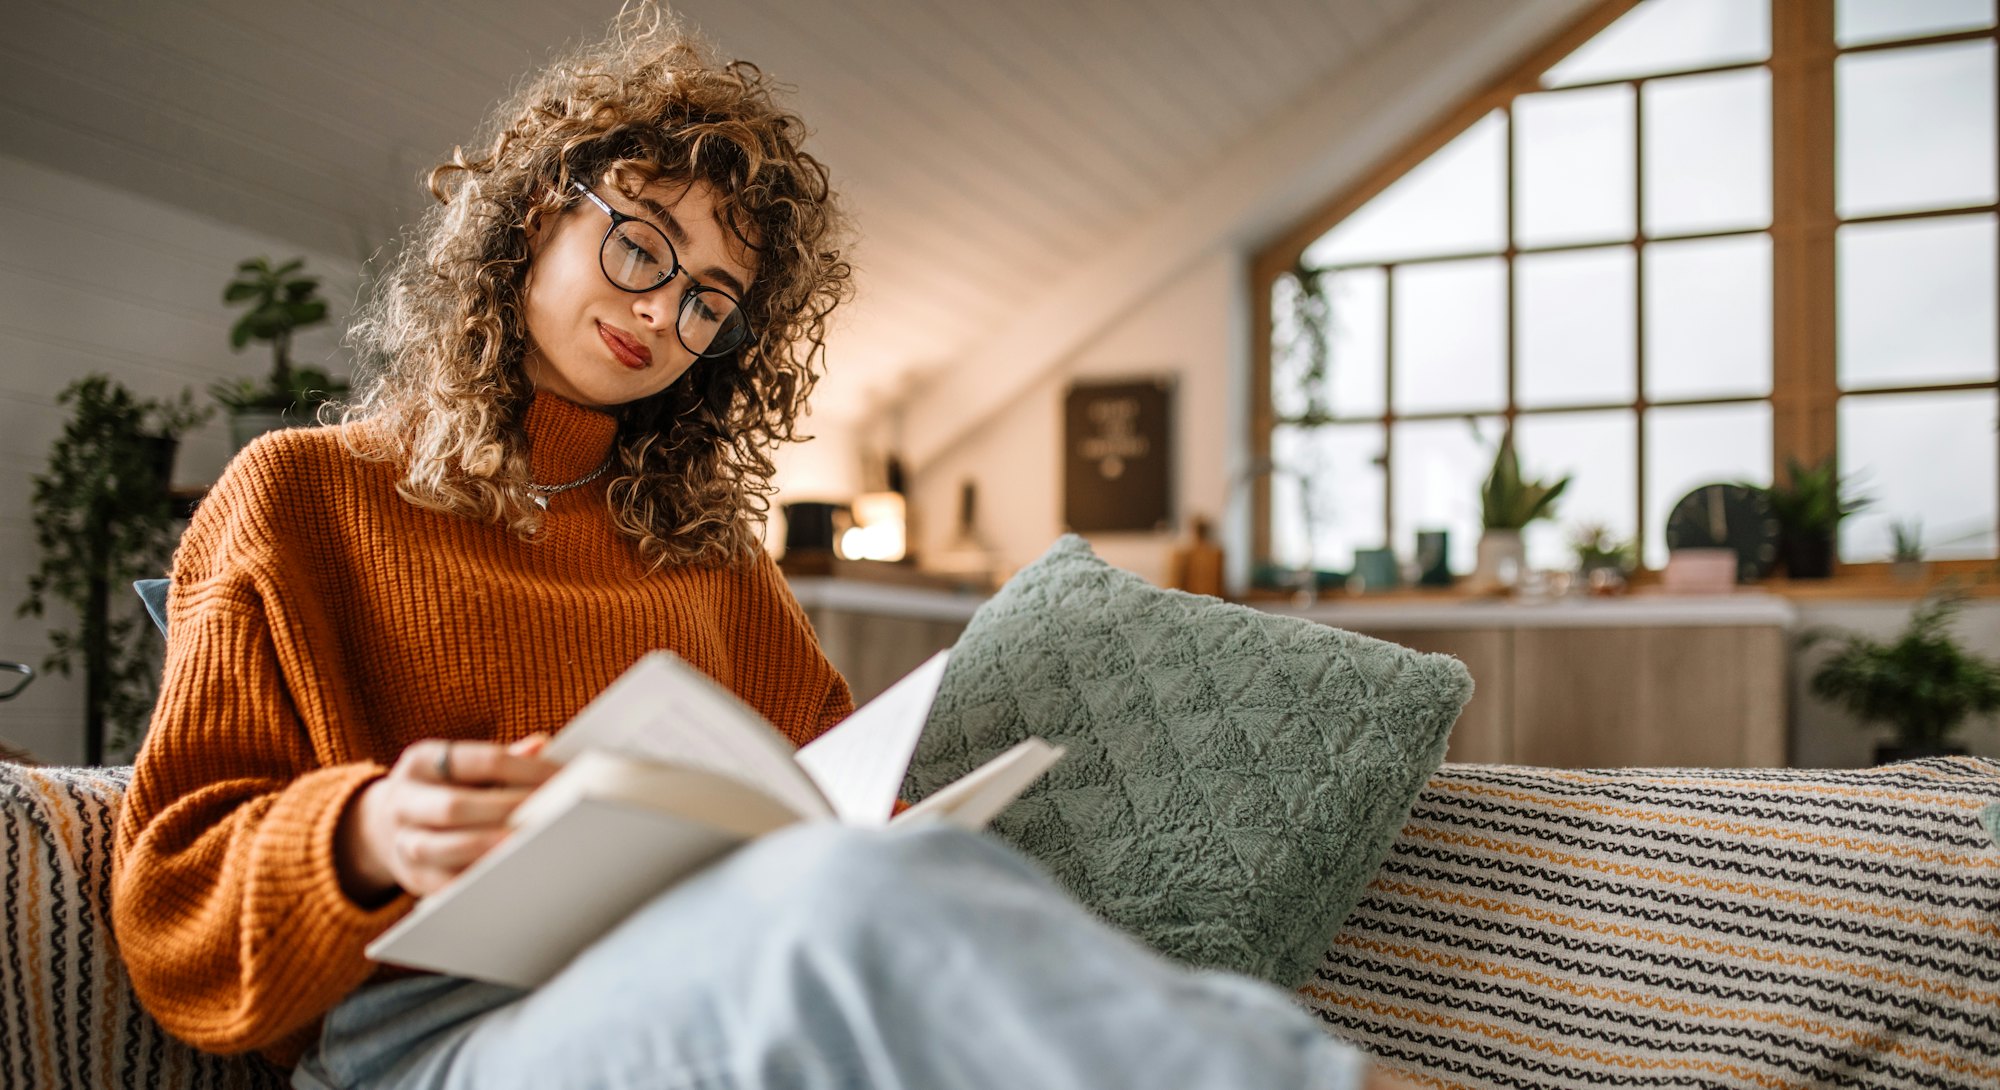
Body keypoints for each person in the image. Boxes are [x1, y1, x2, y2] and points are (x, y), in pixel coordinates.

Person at [109, 6, 1407, 1088]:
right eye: (639, 243)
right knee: (845, 906)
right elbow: (169, 892)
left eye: (707, 300)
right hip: (433, 1033)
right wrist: (371, 829)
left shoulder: (704, 555)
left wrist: (889, 820)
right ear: (530, 216)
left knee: (902, 868)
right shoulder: (299, 497)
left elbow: (831, 782)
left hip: (709, 977)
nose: (662, 309)